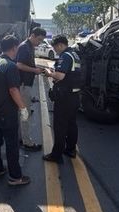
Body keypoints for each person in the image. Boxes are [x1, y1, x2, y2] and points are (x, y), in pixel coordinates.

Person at [0, 35, 31, 186]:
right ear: (14, 47)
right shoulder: (11, 66)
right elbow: (13, 90)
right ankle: (15, 177)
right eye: (17, 47)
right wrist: (23, 108)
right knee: (12, 146)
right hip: (8, 113)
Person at [43, 35, 83, 164]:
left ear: (60, 45)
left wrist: (49, 74)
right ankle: (70, 150)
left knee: (60, 126)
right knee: (72, 124)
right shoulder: (75, 55)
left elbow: (60, 75)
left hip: (65, 97)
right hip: (75, 95)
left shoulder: (65, 56)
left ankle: (56, 155)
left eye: (55, 48)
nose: (55, 51)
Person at [15, 26, 47, 151]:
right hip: (23, 85)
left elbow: (27, 64)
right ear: (32, 35)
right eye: (38, 39)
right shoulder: (24, 47)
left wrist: (38, 68)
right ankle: (26, 142)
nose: (39, 43)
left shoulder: (29, 47)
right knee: (25, 113)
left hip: (25, 84)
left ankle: (21, 138)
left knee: (22, 113)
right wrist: (35, 70)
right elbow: (19, 65)